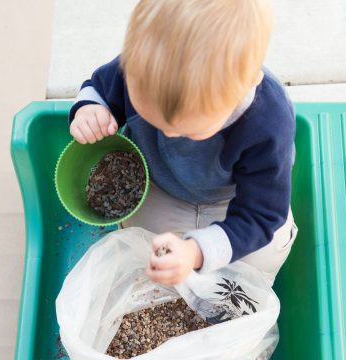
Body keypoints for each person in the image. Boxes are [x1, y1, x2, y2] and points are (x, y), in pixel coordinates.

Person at [69, 0, 298, 286]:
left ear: (246, 85)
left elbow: (261, 214)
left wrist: (195, 251)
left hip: (232, 201)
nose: (168, 135)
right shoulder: (144, 67)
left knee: (262, 256)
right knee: (147, 253)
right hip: (160, 185)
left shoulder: (268, 123)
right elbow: (99, 87)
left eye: (189, 131)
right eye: (154, 119)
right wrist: (90, 110)